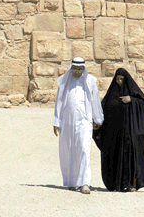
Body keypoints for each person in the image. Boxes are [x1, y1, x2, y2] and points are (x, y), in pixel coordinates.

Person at [93, 68, 144, 192]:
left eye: (121, 79)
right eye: (117, 79)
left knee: (131, 157)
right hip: (115, 134)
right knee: (115, 157)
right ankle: (116, 184)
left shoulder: (133, 92)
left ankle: (131, 184)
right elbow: (102, 108)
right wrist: (96, 121)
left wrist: (131, 100)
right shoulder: (111, 93)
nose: (119, 81)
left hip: (130, 133)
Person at [53, 57, 103, 194]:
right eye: (75, 68)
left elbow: (95, 101)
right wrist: (56, 122)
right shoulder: (64, 81)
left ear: (83, 69)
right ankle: (72, 181)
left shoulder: (90, 81)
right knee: (69, 150)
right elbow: (59, 101)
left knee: (84, 149)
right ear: (71, 68)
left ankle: (85, 183)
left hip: (84, 121)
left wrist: (97, 119)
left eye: (80, 69)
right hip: (67, 121)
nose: (77, 71)